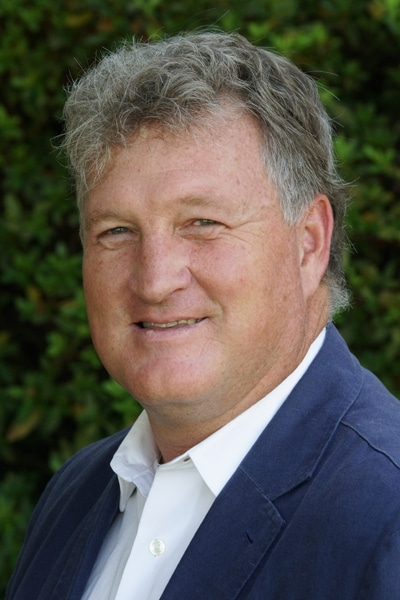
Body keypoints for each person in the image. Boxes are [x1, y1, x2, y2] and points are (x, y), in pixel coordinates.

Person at [6, 31, 400, 600]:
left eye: (203, 224)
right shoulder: (75, 494)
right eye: (116, 231)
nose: (155, 279)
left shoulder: (386, 518)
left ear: (309, 243)